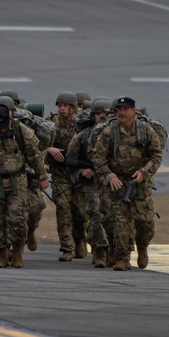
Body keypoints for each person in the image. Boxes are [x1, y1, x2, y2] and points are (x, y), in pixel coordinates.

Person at [0, 96, 48, 268]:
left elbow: (35, 155)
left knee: (17, 219)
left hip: (16, 182)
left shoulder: (22, 131)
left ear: (12, 113)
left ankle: (17, 252)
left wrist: (42, 176)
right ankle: (1, 254)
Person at [92, 96, 162, 271]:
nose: (121, 112)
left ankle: (143, 247)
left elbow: (156, 156)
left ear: (133, 111)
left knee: (144, 223)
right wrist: (109, 176)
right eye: (119, 109)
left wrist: (144, 173)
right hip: (118, 184)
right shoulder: (109, 132)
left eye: (125, 109)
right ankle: (122, 259)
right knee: (119, 224)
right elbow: (98, 158)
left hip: (140, 184)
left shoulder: (145, 131)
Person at [66, 97, 112, 267]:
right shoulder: (84, 136)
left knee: (114, 216)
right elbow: (70, 159)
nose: (100, 117)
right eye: (97, 114)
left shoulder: (117, 134)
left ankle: (115, 251)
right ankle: (100, 251)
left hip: (113, 182)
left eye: (104, 114)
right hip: (92, 182)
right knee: (95, 214)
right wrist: (81, 171)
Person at [47, 91, 84, 261]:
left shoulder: (82, 124)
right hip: (60, 172)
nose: (61, 109)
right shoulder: (51, 123)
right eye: (59, 105)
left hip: (78, 173)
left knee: (80, 211)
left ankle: (80, 241)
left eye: (65, 106)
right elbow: (35, 143)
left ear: (73, 108)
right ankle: (67, 248)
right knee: (63, 208)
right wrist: (49, 149)